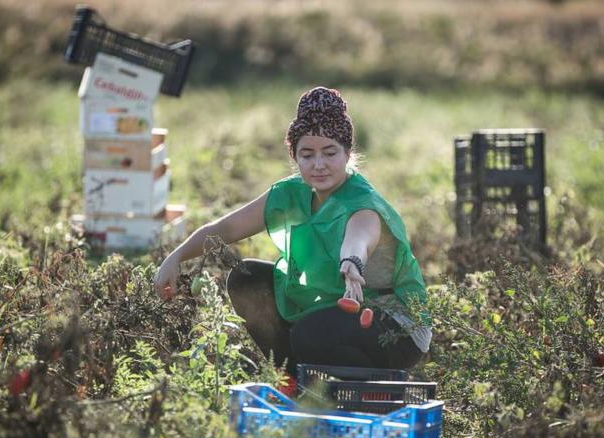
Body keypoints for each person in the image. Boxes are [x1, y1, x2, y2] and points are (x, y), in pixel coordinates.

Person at [153, 86, 431, 380]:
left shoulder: (362, 202)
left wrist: (353, 263)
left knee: (309, 335)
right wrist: (176, 256)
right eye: (307, 154)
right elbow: (225, 229)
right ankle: (292, 380)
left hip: (397, 328)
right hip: (338, 308)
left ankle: (355, 391)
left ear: (348, 153)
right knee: (247, 278)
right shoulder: (291, 193)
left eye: (330, 152)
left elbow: (360, 235)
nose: (319, 164)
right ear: (294, 156)